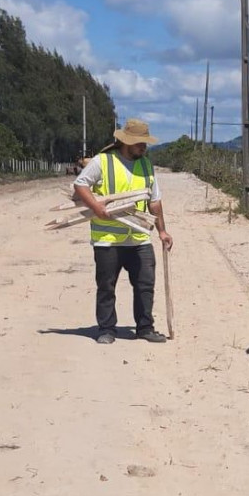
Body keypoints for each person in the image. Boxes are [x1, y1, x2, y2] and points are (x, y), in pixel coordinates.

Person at [73, 119, 173, 345]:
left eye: (145, 143)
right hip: (108, 240)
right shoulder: (103, 161)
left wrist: (162, 232)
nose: (144, 147)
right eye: (140, 143)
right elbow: (80, 184)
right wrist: (96, 207)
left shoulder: (146, 165)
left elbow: (154, 202)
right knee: (106, 287)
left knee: (145, 284)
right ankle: (107, 329)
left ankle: (145, 327)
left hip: (139, 237)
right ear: (127, 142)